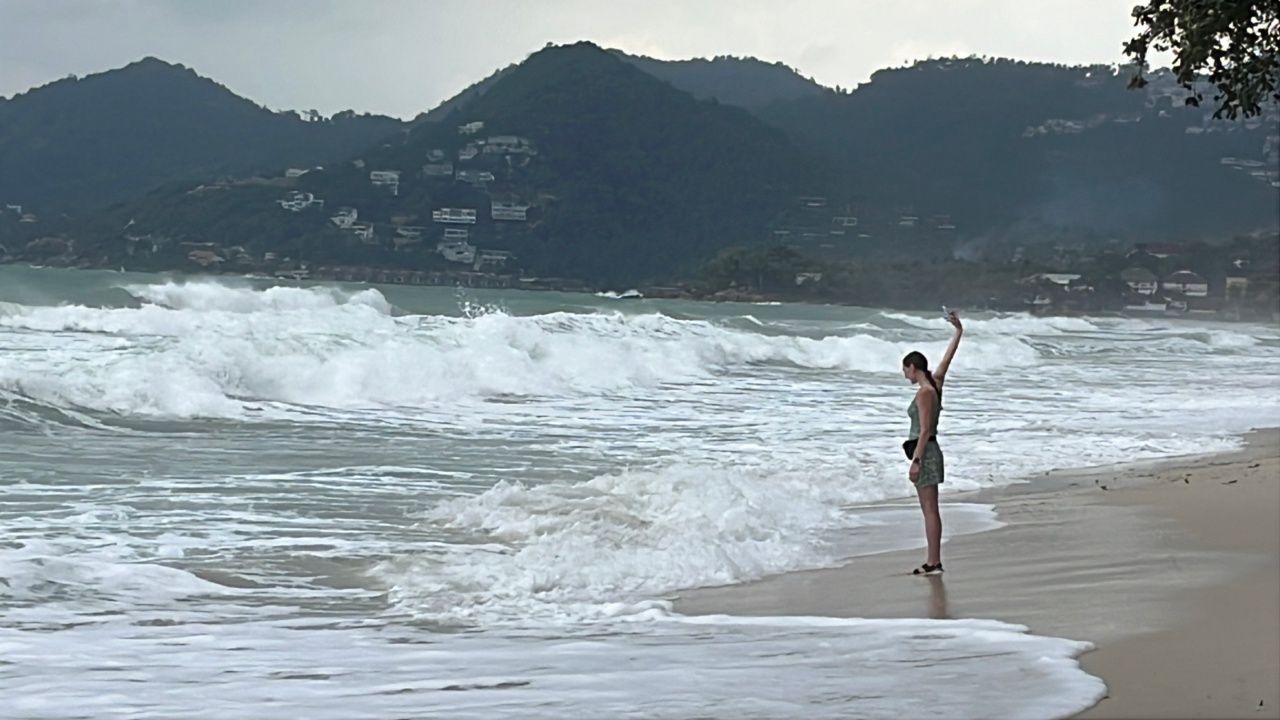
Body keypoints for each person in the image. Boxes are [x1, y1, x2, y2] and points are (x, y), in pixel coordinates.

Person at [901, 310, 963, 575]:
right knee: (930, 508)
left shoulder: (925, 393)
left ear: (913, 368)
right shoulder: (935, 383)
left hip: (925, 451)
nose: (905, 375)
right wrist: (958, 332)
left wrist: (916, 461)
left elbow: (925, 430)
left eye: (905, 369)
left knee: (929, 510)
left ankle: (933, 561)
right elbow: (947, 360)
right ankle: (934, 560)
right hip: (930, 451)